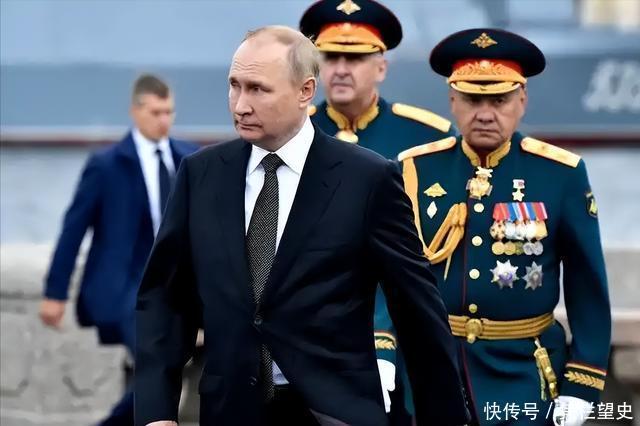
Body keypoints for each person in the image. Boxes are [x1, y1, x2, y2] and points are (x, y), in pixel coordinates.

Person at [135, 25, 469, 426]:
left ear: (305, 91)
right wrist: (156, 412)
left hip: (336, 412)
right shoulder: (200, 175)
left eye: (258, 89)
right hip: (232, 410)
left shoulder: (366, 179)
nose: (240, 105)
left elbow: (417, 312)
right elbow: (165, 300)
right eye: (234, 86)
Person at [396, 28, 611, 425]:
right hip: (431, 370)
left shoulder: (559, 174)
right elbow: (392, 275)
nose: (484, 113)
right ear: (452, 100)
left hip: (523, 373)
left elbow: (587, 284)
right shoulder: (416, 169)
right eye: (472, 99)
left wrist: (583, 383)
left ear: (522, 100)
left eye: (499, 100)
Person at [299, 1, 456, 420]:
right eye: (330, 57)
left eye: (354, 58)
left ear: (381, 67)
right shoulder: (293, 133)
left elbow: (428, 254)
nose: (340, 69)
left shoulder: (426, 137)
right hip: (312, 340)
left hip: (404, 342)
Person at [40, 74, 198, 426]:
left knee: (165, 366)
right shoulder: (106, 165)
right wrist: (55, 292)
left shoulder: (190, 158)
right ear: (135, 111)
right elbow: (73, 230)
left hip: (177, 287)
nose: (164, 120)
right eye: (156, 112)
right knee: (156, 362)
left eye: (169, 112)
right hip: (124, 289)